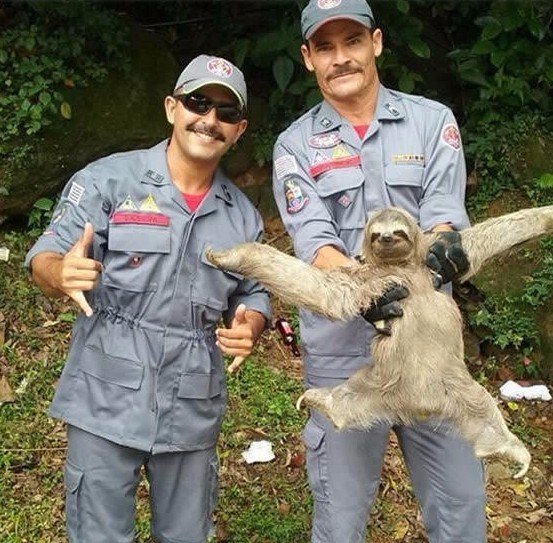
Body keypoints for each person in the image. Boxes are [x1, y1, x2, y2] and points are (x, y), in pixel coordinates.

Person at [25, 54, 270, 543]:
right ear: (171, 108)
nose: (209, 119)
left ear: (238, 129)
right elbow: (45, 257)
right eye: (199, 103)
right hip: (105, 393)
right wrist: (59, 271)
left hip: (192, 402)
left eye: (225, 113)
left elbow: (254, 290)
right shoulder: (109, 180)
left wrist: (252, 323)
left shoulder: (243, 216)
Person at [272, 0, 485, 542]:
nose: (341, 58)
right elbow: (315, 241)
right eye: (326, 47)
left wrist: (441, 250)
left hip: (428, 347)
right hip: (343, 351)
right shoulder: (294, 146)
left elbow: (441, 219)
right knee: (341, 517)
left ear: (377, 43)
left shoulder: (431, 121)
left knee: (460, 504)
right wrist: (365, 291)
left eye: (352, 42)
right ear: (308, 57)